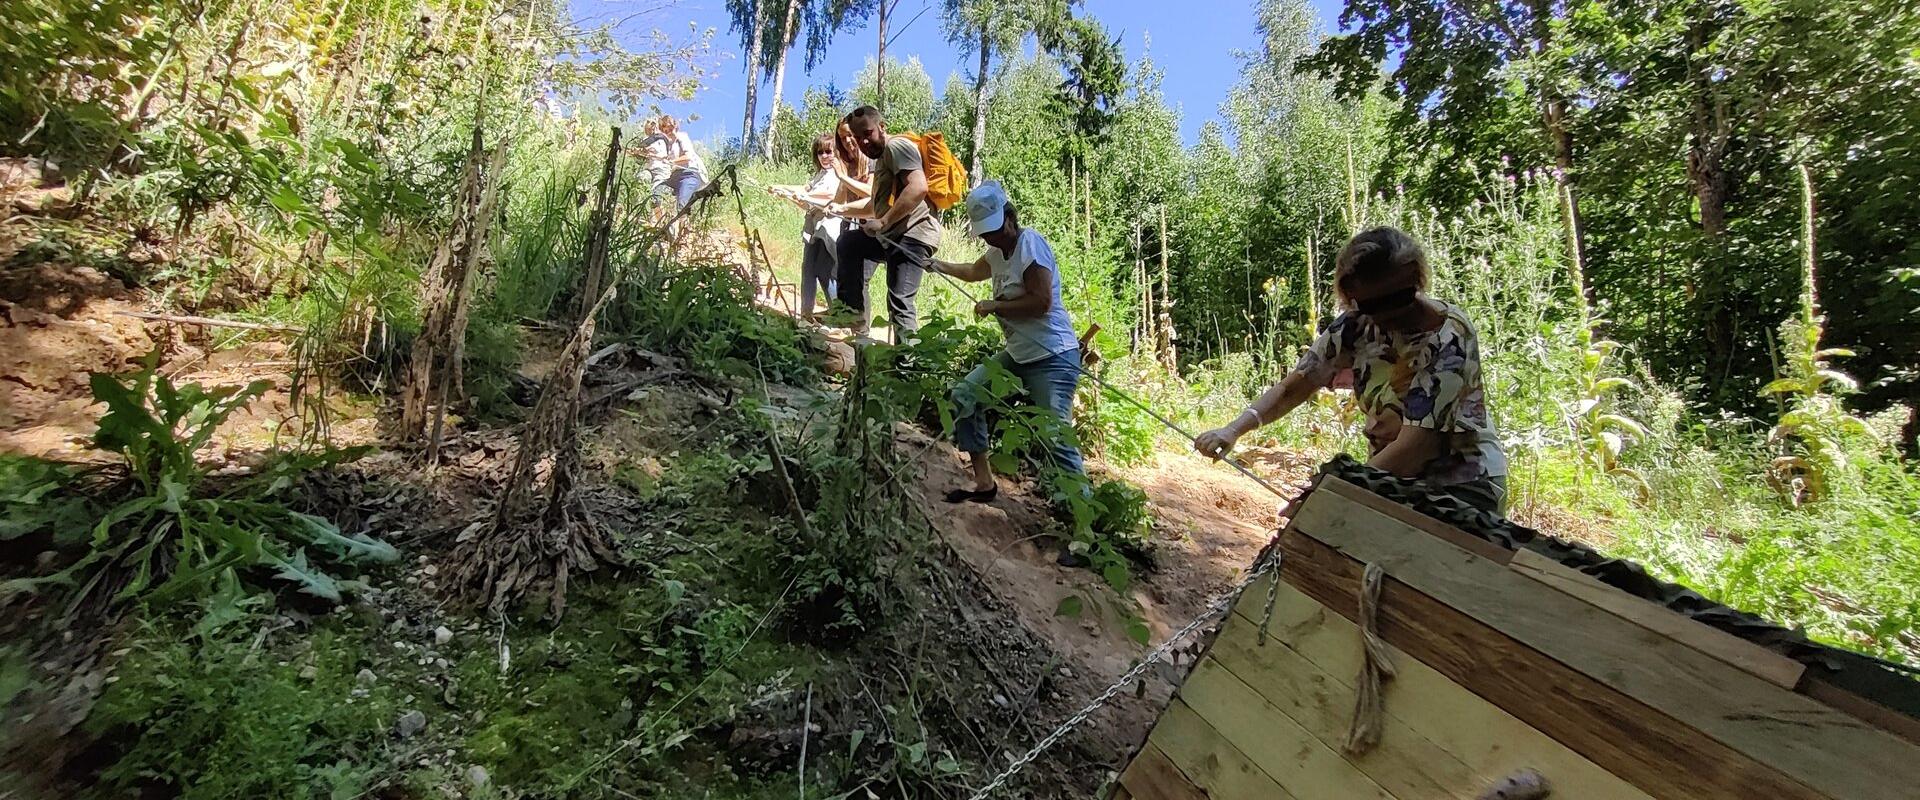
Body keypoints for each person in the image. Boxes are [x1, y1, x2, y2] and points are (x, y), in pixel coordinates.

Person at [1192, 226, 1510, 513]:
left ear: (1417, 281)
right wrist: (1233, 430)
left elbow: (1417, 447)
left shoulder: (1448, 337)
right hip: (1388, 479)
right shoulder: (1356, 325)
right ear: (1351, 299)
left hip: (1463, 485)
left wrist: (1334, 494)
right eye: (1372, 306)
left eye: (1400, 298)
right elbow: (1299, 383)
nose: (1389, 314)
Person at [930, 182, 1084, 503]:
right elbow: (974, 271)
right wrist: (937, 264)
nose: (991, 238)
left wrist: (996, 306)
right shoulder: (997, 253)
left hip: (1053, 356)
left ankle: (1084, 531)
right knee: (965, 395)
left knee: (1055, 438)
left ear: (1010, 218)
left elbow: (1041, 301)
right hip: (1018, 354)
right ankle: (984, 483)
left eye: (995, 230)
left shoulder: (1030, 245)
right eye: (985, 233)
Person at [827, 106, 941, 340]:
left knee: (900, 301)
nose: (862, 142)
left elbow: (918, 187)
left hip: (914, 235)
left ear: (882, 127)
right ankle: (851, 316)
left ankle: (908, 366)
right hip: (893, 234)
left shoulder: (896, 147)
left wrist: (884, 221)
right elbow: (875, 206)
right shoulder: (882, 159)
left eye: (867, 134)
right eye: (858, 138)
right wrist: (841, 208)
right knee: (850, 242)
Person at [765, 134, 843, 321]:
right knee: (808, 268)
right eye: (820, 152)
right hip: (814, 227)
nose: (824, 156)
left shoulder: (837, 174)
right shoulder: (819, 175)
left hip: (828, 228)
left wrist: (800, 196)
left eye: (828, 151)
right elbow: (805, 195)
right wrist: (783, 190)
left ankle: (839, 314)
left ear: (836, 153)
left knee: (825, 271)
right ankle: (806, 313)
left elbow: (827, 196)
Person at [657, 115, 707, 210]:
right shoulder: (667, 146)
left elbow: (688, 157)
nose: (669, 133)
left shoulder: (682, 137)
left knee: (682, 206)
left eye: (671, 129)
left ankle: (683, 222)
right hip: (674, 177)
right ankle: (663, 223)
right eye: (665, 131)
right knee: (656, 195)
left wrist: (671, 161)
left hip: (690, 174)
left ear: (675, 127)